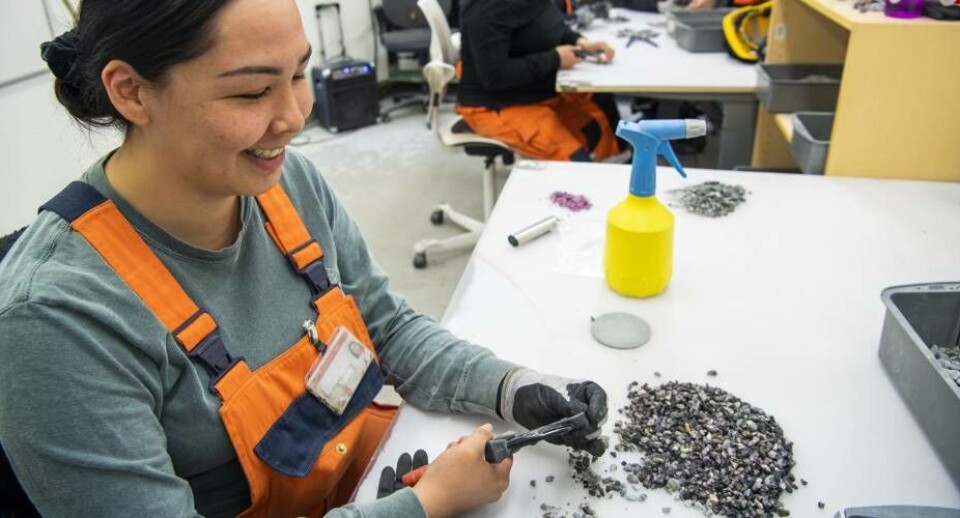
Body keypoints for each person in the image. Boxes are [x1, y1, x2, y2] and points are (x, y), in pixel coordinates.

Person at [0, 1, 608, 517]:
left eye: (299, 75)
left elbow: (387, 328)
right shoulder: (56, 319)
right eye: (253, 91)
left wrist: (512, 387)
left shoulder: (285, 187)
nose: (295, 117)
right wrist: (422, 506)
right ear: (131, 92)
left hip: (354, 470)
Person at [456, 0, 624, 162]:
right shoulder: (486, 9)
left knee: (594, 130)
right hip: (495, 105)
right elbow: (494, 76)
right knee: (576, 165)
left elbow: (550, 25)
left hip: (534, 93)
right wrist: (554, 59)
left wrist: (579, 42)